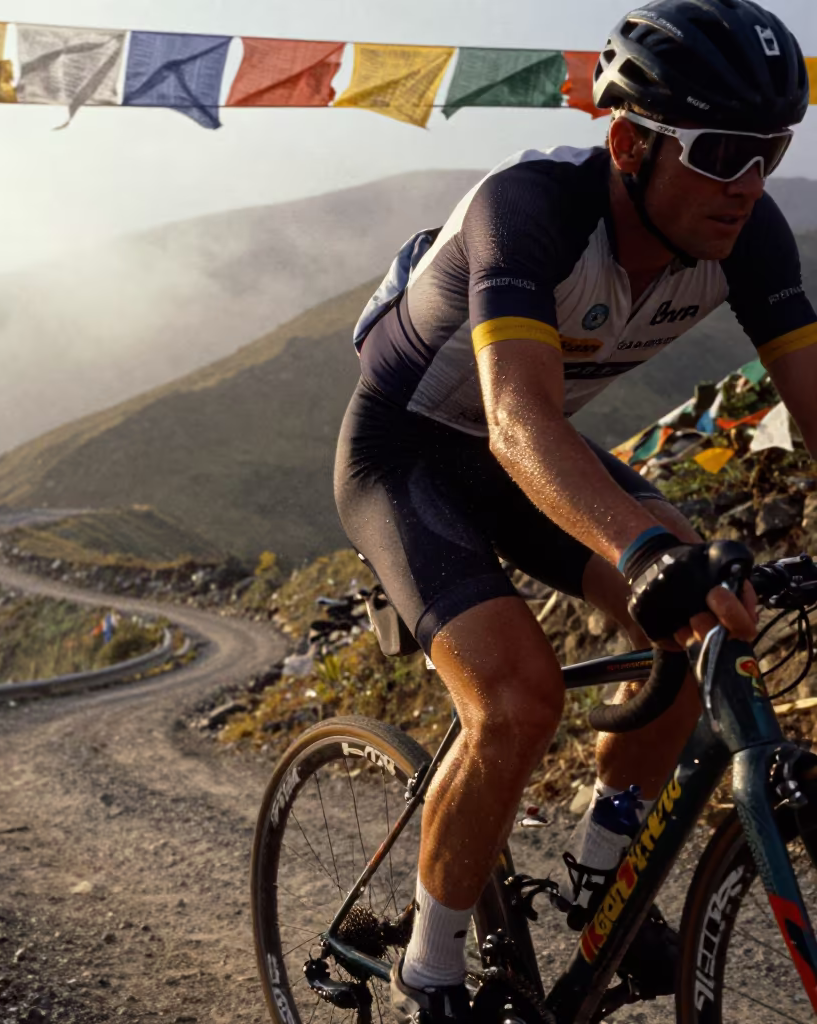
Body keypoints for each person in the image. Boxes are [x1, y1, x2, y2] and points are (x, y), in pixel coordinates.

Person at [332, 1, 817, 1020]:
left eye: (770, 150)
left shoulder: (749, 235)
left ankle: (602, 879)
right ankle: (429, 973)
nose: (748, 182)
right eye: (720, 152)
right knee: (518, 698)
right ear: (630, 144)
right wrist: (642, 551)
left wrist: (665, 566)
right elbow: (516, 420)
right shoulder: (530, 210)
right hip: (407, 455)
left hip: (529, 456)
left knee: (705, 624)